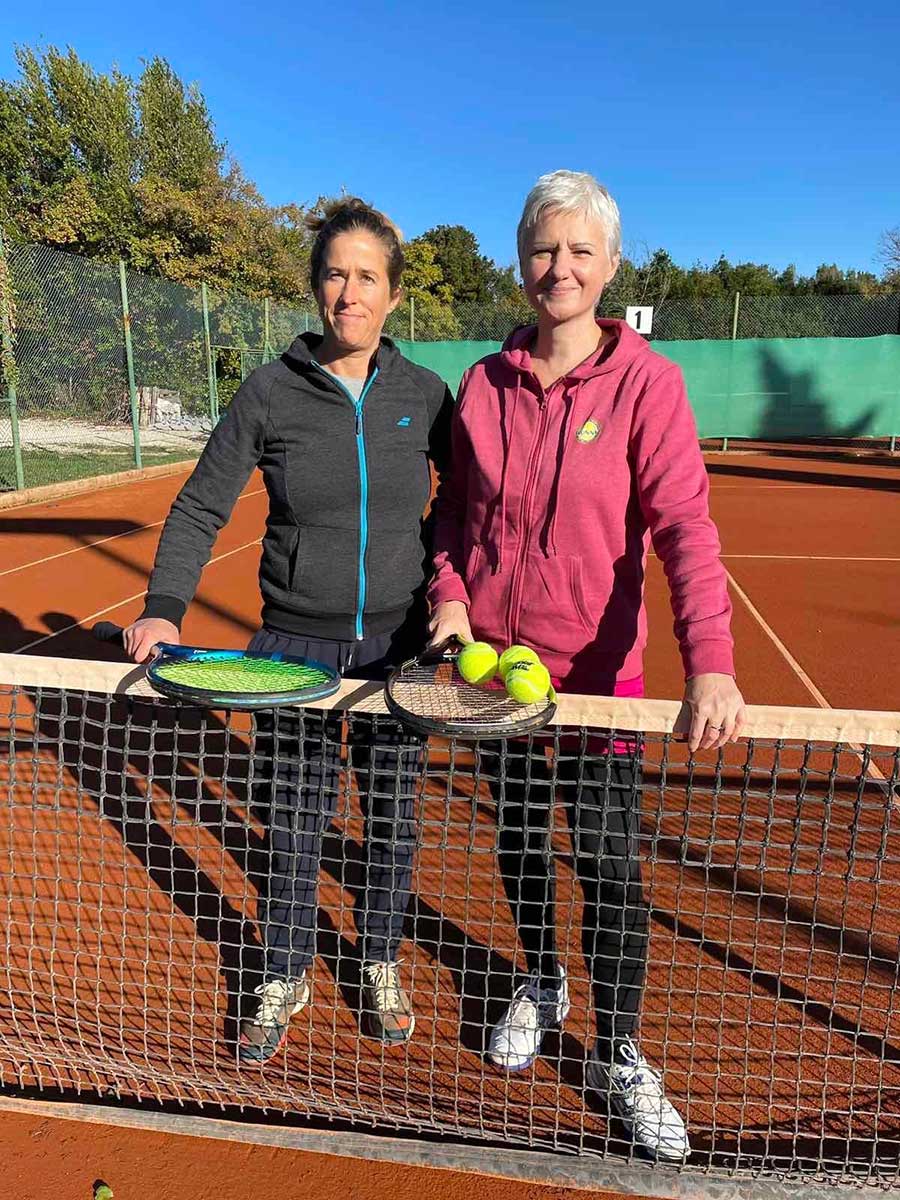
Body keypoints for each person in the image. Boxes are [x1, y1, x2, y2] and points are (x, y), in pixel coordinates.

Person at [427, 170, 745, 1160]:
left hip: (603, 686)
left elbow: (685, 527)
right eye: (542, 248)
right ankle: (541, 978)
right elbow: (452, 517)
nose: (558, 267)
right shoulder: (483, 385)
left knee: (608, 865)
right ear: (521, 261)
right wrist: (449, 597)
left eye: (578, 251)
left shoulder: (650, 385)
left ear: (609, 267)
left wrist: (712, 660)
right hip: (497, 681)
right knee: (521, 840)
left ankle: (618, 1049)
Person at [124, 198, 453, 1064]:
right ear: (316, 288)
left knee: (392, 821)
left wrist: (453, 597)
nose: (351, 292)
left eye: (368, 277)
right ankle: (283, 969)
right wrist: (164, 604)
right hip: (292, 648)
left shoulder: (424, 395)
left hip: (399, 649)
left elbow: (469, 506)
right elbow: (201, 503)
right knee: (295, 822)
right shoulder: (270, 390)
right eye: (336, 274)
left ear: (393, 295)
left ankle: (378, 958)